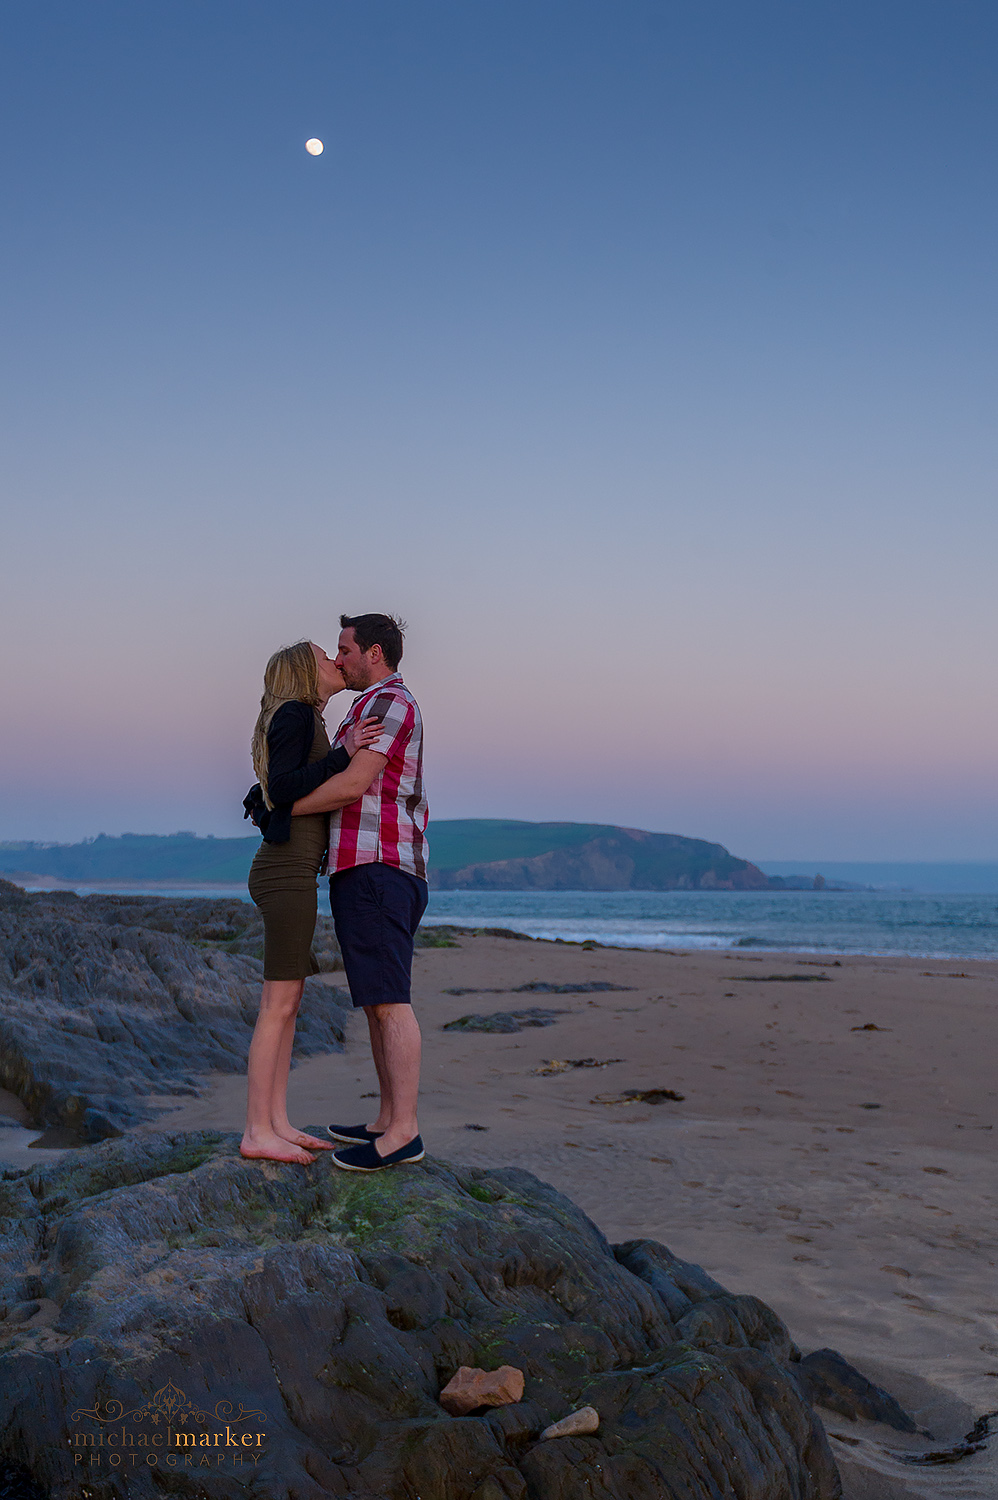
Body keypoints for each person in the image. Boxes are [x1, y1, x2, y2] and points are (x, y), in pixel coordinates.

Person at [290, 613, 429, 1172]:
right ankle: (386, 1119)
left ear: (374, 652)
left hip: (381, 866)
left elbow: (350, 784)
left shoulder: (391, 703)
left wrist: (281, 809)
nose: (340, 659)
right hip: (361, 868)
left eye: (345, 649)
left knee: (390, 1001)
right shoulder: (363, 707)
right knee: (375, 1001)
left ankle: (404, 1132)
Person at [241, 640, 381, 1165]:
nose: (334, 663)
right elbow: (282, 787)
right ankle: (257, 1130)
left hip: (294, 871)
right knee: (276, 1008)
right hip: (284, 872)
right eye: (325, 657)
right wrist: (346, 757)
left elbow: (271, 793)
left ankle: (277, 1121)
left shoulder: (304, 718)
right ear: (304, 671)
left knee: (289, 1005)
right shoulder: (296, 714)